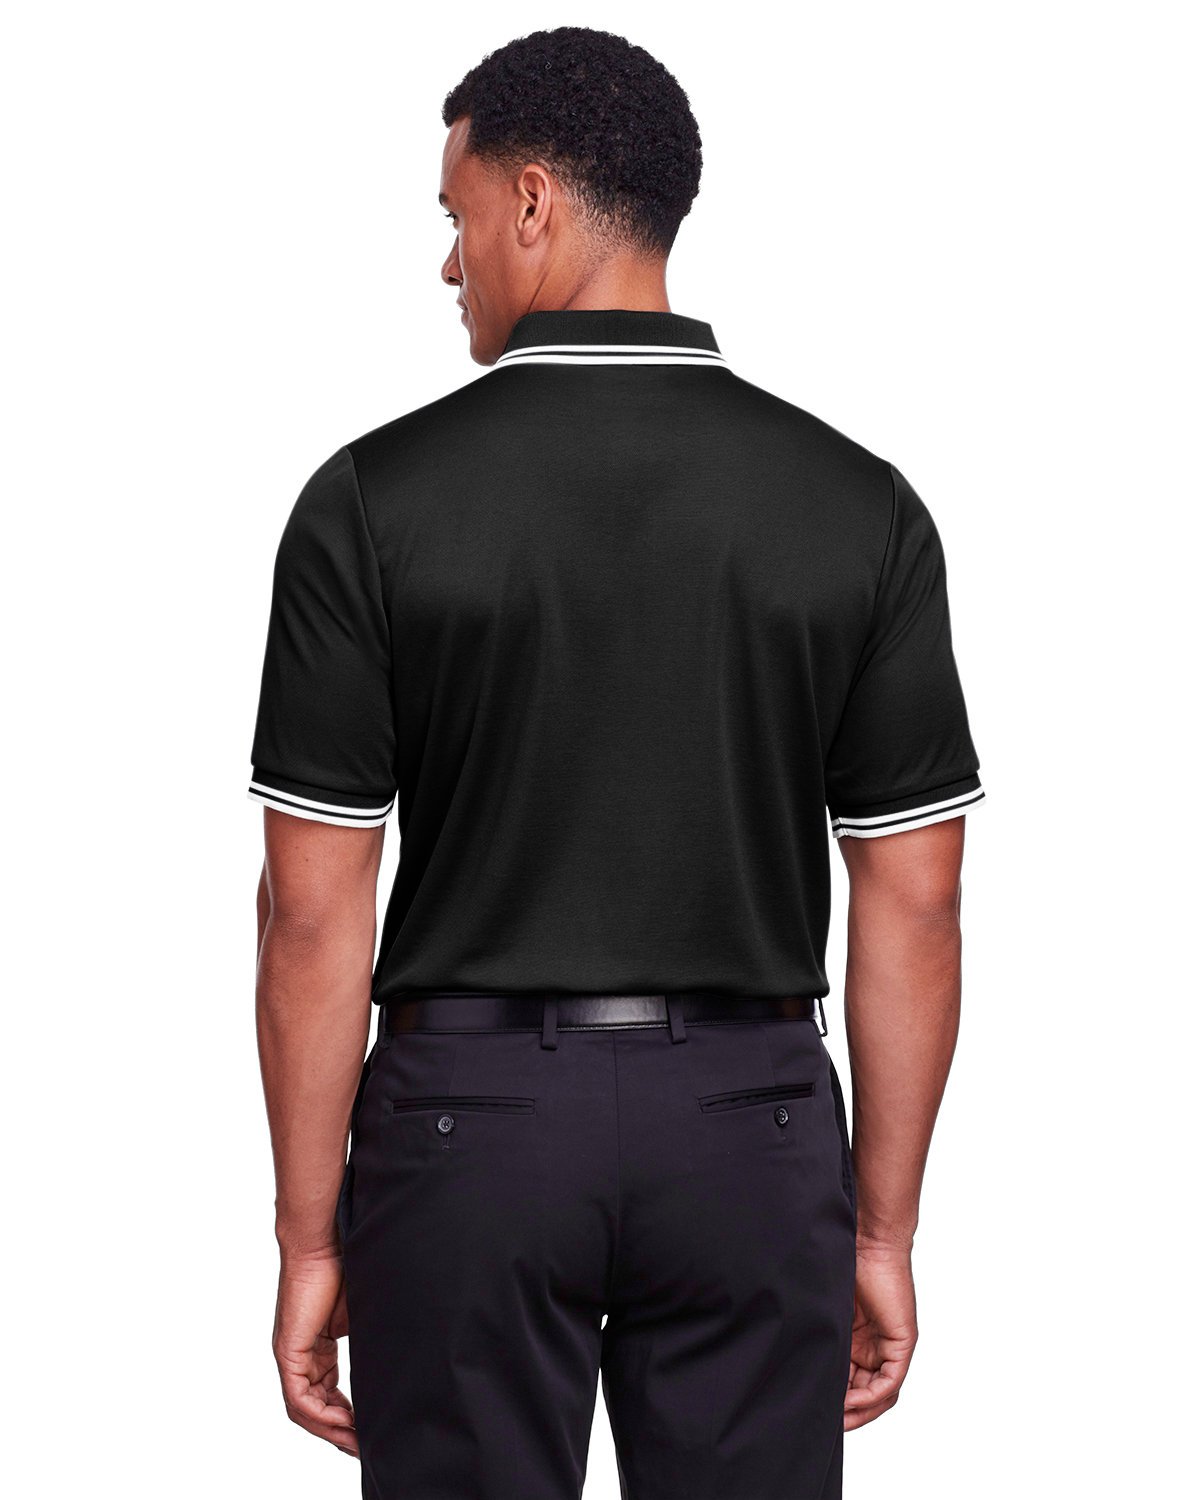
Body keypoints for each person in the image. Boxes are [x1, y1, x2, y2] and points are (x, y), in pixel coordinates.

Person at [248, 25, 985, 1500]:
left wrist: (312, 1238)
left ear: (532, 201)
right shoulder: (860, 506)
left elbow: (312, 912)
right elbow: (916, 899)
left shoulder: (370, 501)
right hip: (750, 1126)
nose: (448, 263)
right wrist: (882, 1232)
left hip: (467, 1136)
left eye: (456, 216)